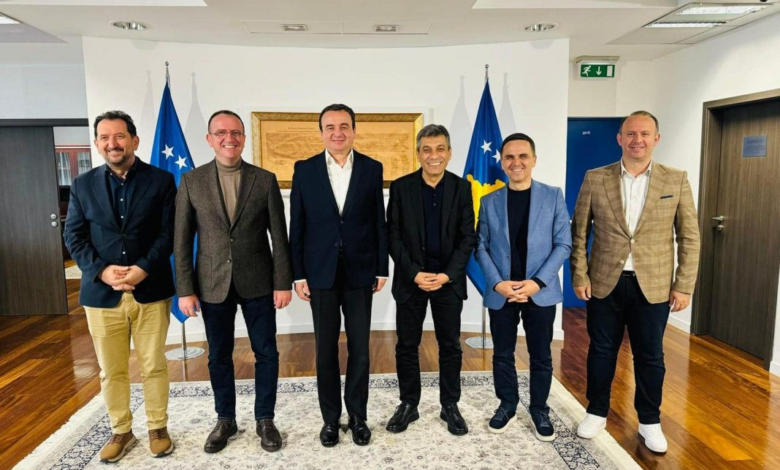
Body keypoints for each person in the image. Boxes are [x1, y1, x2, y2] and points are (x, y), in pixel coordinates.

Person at [570, 111, 700, 453]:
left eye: (644, 134)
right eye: (630, 134)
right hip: (604, 282)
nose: (637, 140)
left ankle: (649, 421)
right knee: (601, 351)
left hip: (654, 286)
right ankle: (596, 411)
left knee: (650, 355)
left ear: (656, 139)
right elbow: (579, 232)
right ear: (620, 138)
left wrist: (684, 284)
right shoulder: (596, 178)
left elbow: (689, 236)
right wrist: (579, 275)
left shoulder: (676, 180)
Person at [174, 110, 292, 453]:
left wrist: (282, 282)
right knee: (218, 356)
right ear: (210, 139)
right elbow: (182, 240)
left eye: (236, 132)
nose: (230, 138)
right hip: (212, 284)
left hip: (259, 282)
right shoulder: (191, 181)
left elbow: (279, 237)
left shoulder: (264, 180)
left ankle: (265, 419)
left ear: (243, 138)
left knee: (266, 353)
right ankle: (225, 419)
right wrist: (185, 289)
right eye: (221, 133)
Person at [64, 110, 176, 463]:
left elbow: (169, 233)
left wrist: (142, 268)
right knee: (111, 370)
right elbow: (74, 236)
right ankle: (121, 430)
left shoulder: (161, 180)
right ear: (97, 144)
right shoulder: (82, 185)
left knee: (154, 364)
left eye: (120, 136)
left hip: (150, 289)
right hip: (101, 294)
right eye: (105, 137)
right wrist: (102, 271)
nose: (113, 143)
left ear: (134, 140)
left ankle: (157, 427)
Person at [289, 103, 389, 447]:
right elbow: (297, 226)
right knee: (325, 350)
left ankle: (358, 416)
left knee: (360, 349)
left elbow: (378, 222)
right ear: (321, 133)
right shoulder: (304, 170)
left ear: (354, 131)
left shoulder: (372, 168)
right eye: (330, 127)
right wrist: (298, 274)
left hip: (361, 271)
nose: (337, 132)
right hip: (320, 274)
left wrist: (381, 267)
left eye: (344, 126)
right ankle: (331, 419)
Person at [475, 132, 571, 440]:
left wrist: (537, 283)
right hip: (502, 292)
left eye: (522, 156)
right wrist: (498, 283)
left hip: (539, 292)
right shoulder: (489, 201)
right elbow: (480, 246)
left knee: (541, 355)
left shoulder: (553, 196)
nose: (516, 162)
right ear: (502, 162)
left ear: (533, 160)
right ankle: (507, 404)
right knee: (502, 353)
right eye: (509, 157)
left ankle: (539, 408)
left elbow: (563, 244)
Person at [385, 124, 476, 436]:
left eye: (440, 149)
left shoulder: (462, 188)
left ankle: (450, 404)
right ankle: (409, 403)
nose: (433, 155)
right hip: (411, 281)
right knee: (406, 345)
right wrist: (414, 273)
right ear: (418, 153)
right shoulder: (401, 187)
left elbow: (468, 238)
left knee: (450, 345)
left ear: (449, 153)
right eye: (427, 149)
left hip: (448, 281)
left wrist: (447, 274)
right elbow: (392, 235)